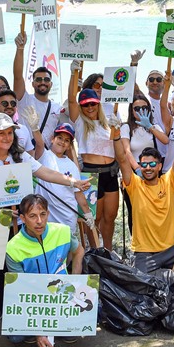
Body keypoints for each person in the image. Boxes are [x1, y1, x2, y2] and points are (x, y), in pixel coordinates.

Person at [0, 113, 90, 319]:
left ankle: (24, 306)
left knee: (18, 261)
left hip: (20, 220)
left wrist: (73, 182)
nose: (6, 137)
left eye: (10, 133)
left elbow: (45, 172)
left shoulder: (20, 156)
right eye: (1, 133)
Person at [111, 105, 174, 272]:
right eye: (144, 164)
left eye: (152, 164)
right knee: (144, 288)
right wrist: (116, 135)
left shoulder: (169, 180)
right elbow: (122, 159)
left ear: (159, 166)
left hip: (172, 249)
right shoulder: (134, 184)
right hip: (145, 253)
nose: (148, 168)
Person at [5, 194, 85, 347]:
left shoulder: (62, 231)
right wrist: (38, 332)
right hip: (32, 299)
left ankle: (58, 327)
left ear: (48, 214)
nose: (39, 221)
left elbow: (79, 252)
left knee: (89, 317)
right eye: (32, 216)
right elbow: (20, 290)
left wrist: (75, 282)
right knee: (15, 336)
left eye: (42, 214)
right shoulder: (13, 247)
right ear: (22, 218)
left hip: (61, 294)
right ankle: (43, 332)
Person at [68, 68, 118, 251]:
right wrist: (74, 74)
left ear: (99, 104)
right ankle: (95, 249)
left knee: (110, 216)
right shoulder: (79, 121)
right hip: (91, 173)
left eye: (93, 104)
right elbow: (72, 99)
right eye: (86, 105)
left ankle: (109, 250)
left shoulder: (108, 120)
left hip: (111, 171)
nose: (90, 108)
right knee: (93, 218)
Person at [121, 93, 170, 232]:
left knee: (154, 207)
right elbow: (126, 151)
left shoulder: (154, 126)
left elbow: (165, 140)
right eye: (136, 109)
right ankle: (137, 243)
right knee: (134, 209)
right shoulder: (126, 128)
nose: (140, 111)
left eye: (144, 107)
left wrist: (150, 127)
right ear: (131, 111)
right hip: (134, 172)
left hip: (153, 171)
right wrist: (137, 169)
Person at [34, 123, 93, 235]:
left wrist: (88, 214)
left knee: (67, 250)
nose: (62, 142)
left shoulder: (72, 166)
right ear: (52, 139)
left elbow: (78, 194)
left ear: (69, 145)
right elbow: (39, 143)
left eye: (66, 140)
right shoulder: (44, 156)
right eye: (59, 138)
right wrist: (35, 129)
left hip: (67, 216)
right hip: (45, 216)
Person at [13, 32, 63, 147]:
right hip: (26, 152)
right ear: (33, 83)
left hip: (47, 156)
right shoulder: (24, 99)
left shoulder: (57, 108)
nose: (42, 82)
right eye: (38, 79)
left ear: (51, 84)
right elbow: (17, 76)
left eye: (46, 80)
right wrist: (20, 49)